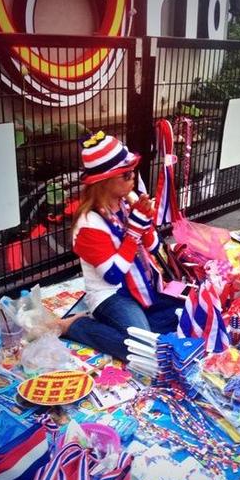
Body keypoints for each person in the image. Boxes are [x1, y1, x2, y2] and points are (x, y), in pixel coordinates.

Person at [61, 132, 183, 361]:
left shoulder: (125, 201)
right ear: (105, 181)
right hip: (109, 295)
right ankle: (77, 326)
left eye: (133, 171)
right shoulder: (89, 223)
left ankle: (130, 324)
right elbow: (113, 275)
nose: (133, 178)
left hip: (140, 286)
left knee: (183, 317)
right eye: (126, 174)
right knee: (145, 350)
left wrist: (145, 223)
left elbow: (155, 247)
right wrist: (134, 232)